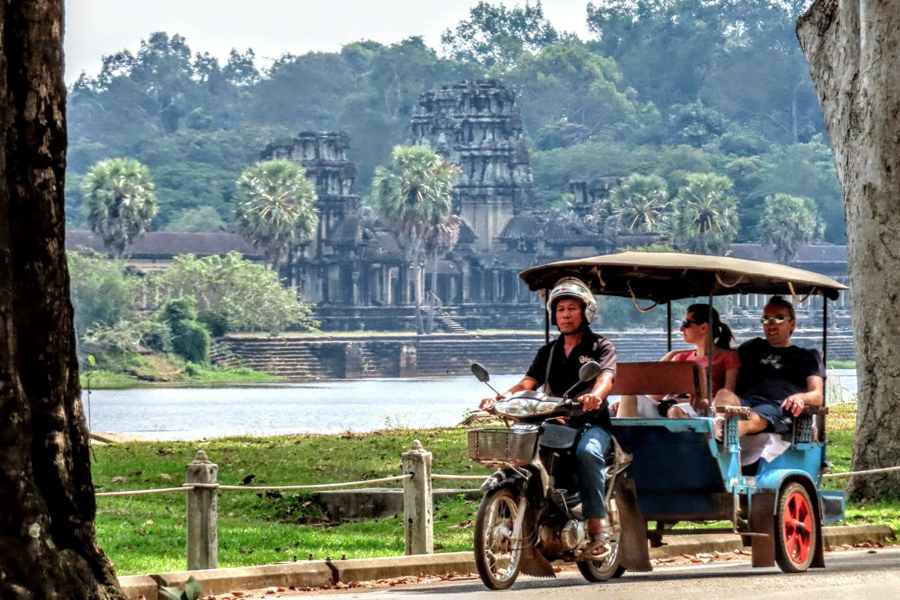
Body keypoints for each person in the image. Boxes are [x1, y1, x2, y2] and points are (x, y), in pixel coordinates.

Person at [480, 277, 617, 559]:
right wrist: (500, 398)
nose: (565, 314)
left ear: (586, 312)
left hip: (590, 424)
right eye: (560, 309)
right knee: (520, 451)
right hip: (553, 422)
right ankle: (520, 513)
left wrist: (596, 396)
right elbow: (528, 383)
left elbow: (606, 377)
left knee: (589, 454)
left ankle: (597, 530)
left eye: (571, 308)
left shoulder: (600, 346)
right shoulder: (549, 352)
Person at [713, 295, 825, 438]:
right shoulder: (752, 348)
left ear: (792, 324)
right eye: (766, 320)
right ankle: (717, 427)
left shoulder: (807, 356)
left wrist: (800, 398)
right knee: (724, 395)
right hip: (746, 402)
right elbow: (722, 356)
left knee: (747, 419)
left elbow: (817, 395)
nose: (771, 325)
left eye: (778, 318)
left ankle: (728, 447)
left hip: (777, 408)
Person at [614, 304, 740, 418]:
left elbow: (727, 398)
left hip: (703, 411)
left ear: (703, 327)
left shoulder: (728, 357)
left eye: (686, 324)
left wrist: (680, 402)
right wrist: (671, 355)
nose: (681, 329)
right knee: (629, 397)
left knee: (675, 411)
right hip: (671, 406)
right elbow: (658, 391)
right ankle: (624, 442)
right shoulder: (683, 358)